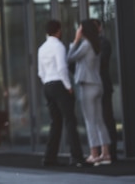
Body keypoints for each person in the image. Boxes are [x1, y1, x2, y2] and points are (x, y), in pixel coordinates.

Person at [37, 19, 89, 167]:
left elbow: (40, 72)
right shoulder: (58, 46)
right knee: (70, 121)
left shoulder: (41, 48)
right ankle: (77, 157)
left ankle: (49, 157)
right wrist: (68, 86)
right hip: (59, 84)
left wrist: (47, 83)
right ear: (58, 31)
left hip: (47, 85)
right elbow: (62, 68)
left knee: (56, 122)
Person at [67, 19, 112, 166]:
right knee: (99, 121)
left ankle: (94, 154)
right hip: (98, 85)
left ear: (83, 30)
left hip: (87, 86)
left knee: (90, 121)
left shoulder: (86, 45)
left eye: (79, 28)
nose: (78, 29)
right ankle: (105, 153)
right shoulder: (97, 44)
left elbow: (70, 58)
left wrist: (75, 40)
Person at [92, 18, 118, 162]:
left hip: (103, 86)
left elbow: (102, 62)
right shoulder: (87, 44)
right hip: (92, 86)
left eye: (96, 27)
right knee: (96, 120)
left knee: (107, 118)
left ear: (100, 28)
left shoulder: (104, 43)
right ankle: (101, 152)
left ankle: (111, 152)